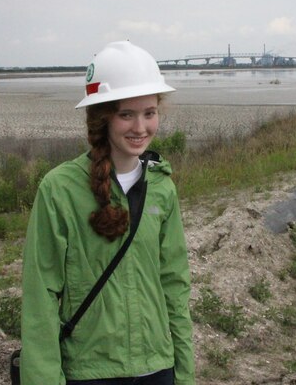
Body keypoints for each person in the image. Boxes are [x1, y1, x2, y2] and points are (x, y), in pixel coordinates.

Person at [20, 41, 195, 385]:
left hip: (157, 368)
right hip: (89, 371)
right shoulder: (60, 190)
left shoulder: (162, 186)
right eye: (126, 114)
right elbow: (40, 296)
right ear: (102, 117)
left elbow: (175, 286)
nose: (140, 127)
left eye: (149, 112)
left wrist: (184, 373)